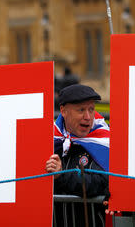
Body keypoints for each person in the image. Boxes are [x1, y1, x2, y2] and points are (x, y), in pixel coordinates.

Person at [45, 84, 109, 226]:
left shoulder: (103, 142)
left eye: (91, 109)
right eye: (81, 110)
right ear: (63, 111)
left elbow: (99, 183)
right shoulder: (49, 141)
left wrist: (61, 175)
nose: (87, 117)